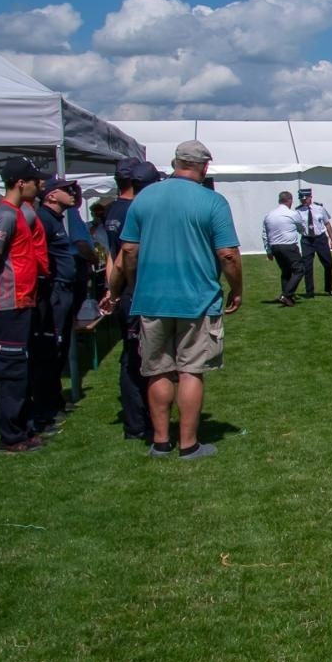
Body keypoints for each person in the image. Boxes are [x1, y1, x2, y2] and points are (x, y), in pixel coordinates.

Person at [102, 140, 241, 460]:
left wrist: (131, 285)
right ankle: (189, 443)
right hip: (197, 298)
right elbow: (228, 255)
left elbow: (129, 251)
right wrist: (237, 289)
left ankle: (161, 441)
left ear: (175, 162)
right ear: (204, 167)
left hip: (151, 298)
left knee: (157, 371)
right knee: (192, 370)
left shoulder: (144, 198)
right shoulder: (212, 201)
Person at [0, 158, 50, 452]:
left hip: (21, 302)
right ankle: (10, 437)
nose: (39, 186)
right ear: (19, 182)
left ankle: (23, 429)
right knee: (12, 372)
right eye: (33, 180)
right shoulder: (5, 215)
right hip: (7, 305)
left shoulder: (16, 213)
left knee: (20, 370)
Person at [101, 159, 163, 440]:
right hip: (137, 289)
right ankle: (141, 425)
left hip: (123, 289)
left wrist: (111, 291)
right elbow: (127, 255)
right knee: (143, 359)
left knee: (133, 357)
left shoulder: (113, 209)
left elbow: (110, 258)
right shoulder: (136, 210)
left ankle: (138, 422)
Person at [30, 173, 86, 432]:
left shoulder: (55, 219)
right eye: (65, 189)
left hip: (63, 291)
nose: (72, 193)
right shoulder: (43, 220)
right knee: (50, 351)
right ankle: (45, 409)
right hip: (54, 292)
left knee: (58, 350)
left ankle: (54, 401)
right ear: (51, 194)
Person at [261, 191, 304, 305]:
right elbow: (301, 228)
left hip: (275, 247)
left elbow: (265, 234)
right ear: (289, 200)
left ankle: (287, 297)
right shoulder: (292, 214)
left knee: (286, 271)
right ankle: (286, 295)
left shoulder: (269, 215)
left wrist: (268, 250)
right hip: (288, 246)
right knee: (299, 270)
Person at [294, 188, 332, 297]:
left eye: (305, 199)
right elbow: (297, 226)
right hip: (307, 240)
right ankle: (309, 291)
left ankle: (328, 287)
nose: (303, 201)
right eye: (301, 199)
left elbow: (327, 224)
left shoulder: (319, 208)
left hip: (320, 239)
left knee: (328, 264)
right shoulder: (298, 211)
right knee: (307, 266)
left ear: (310, 197)